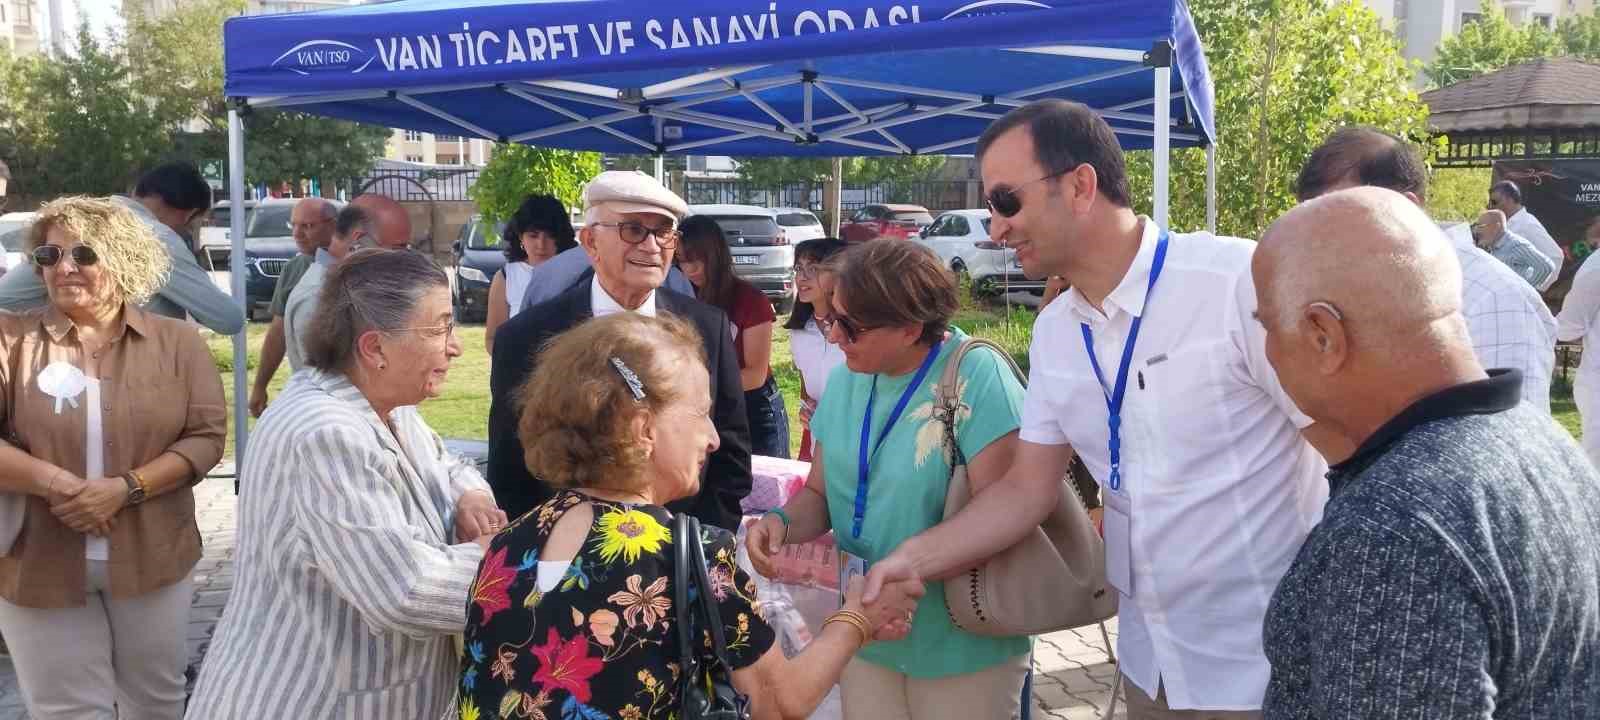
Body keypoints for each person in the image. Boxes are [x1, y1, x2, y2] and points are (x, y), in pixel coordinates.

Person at [861, 99, 1332, 718]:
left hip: (1267, 668)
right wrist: (911, 559)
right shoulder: (1056, 331)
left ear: (1080, 185)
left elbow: (1348, 454)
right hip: (1148, 665)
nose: (995, 229)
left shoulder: (1234, 285)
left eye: (1006, 201)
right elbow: (1027, 490)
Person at [462, 312, 922, 720]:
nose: (713, 438)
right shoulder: (688, 554)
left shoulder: (508, 544)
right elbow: (777, 704)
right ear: (644, 428)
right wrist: (857, 619)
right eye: (701, 414)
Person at [1253, 186, 1600, 717]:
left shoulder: (1393, 529)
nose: (1267, 353)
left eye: (1269, 328)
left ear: (1324, 335)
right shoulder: (1542, 441)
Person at [185, 249, 507, 719]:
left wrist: (470, 496)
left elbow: (446, 462)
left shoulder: (385, 404)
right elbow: (406, 591)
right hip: (308, 702)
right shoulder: (325, 433)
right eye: (440, 329)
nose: (455, 347)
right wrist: (506, 558)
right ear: (374, 348)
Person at [746, 240, 1033, 719]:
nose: (834, 336)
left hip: (961, 640)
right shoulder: (849, 376)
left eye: (850, 326)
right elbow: (819, 493)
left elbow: (1004, 514)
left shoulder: (978, 377)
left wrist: (910, 566)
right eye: (832, 317)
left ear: (910, 327)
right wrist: (780, 522)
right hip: (865, 630)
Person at [0, 197, 226, 720]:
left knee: (157, 704)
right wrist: (59, 485)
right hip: (37, 559)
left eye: (82, 252)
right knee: (67, 711)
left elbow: (205, 438)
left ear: (123, 257)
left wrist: (125, 488)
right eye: (49, 256)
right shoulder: (10, 340)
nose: (64, 267)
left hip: (154, 556)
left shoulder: (179, 341)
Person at [489, 171, 751, 528]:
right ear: (590, 241)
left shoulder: (708, 327)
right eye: (633, 230)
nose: (652, 245)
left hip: (680, 557)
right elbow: (510, 469)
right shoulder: (526, 338)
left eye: (663, 232)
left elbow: (730, 457)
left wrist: (700, 551)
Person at [1295, 126, 1557, 411]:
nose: (1321, 239)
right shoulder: (1352, 288)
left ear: (1403, 208)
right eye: (1311, 219)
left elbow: (1508, 444)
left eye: (1337, 215)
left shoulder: (1492, 297)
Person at [0, 162, 244, 335]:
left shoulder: (80, 225)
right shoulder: (155, 237)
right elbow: (227, 318)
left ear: (137, 191)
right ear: (189, 214)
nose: (67, 268)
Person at [677, 215, 789, 459]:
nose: (690, 270)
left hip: (754, 407)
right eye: (683, 261)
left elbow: (755, 375)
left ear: (716, 254)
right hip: (701, 407)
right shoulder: (678, 297)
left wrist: (692, 390)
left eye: (698, 260)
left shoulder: (751, 300)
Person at [248, 197, 337, 417]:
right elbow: (278, 333)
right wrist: (260, 385)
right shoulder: (294, 269)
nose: (297, 234)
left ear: (333, 225)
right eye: (293, 225)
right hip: (310, 394)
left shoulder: (354, 266)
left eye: (307, 226)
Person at [281, 205, 381, 371]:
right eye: (398, 247)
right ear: (358, 241)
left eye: (307, 226)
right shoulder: (317, 295)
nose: (296, 235)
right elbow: (323, 374)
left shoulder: (343, 282)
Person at [484, 194, 576, 356]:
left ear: (560, 237)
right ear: (520, 237)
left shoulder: (575, 274)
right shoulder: (506, 278)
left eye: (549, 236)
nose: (541, 244)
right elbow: (493, 338)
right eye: (533, 236)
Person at [785, 238, 849, 462]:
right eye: (798, 268)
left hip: (858, 447)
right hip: (818, 448)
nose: (801, 277)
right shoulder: (799, 333)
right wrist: (807, 410)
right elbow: (807, 392)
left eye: (813, 268)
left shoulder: (860, 332)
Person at [1489, 179, 1563, 288]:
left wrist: (1537, 287)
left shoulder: (1528, 224)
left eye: (1495, 202)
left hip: (1517, 291)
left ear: (1509, 200)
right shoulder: (1507, 222)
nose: (1491, 206)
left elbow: (1556, 256)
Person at [1472, 208, 1557, 289]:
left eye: (1480, 226)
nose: (1476, 231)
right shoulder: (1494, 247)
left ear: (1496, 227)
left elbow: (1546, 267)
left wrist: (1524, 289)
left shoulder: (1516, 245)